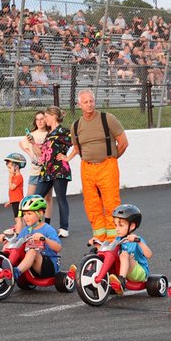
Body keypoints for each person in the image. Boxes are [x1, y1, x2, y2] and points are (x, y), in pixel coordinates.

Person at [68, 89, 128, 242]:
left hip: (107, 166)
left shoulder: (107, 119)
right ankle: (99, 238)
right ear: (79, 104)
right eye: (85, 102)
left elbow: (123, 143)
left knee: (111, 202)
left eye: (91, 101)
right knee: (91, 204)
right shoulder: (75, 126)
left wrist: (112, 158)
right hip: (87, 168)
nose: (89, 104)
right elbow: (77, 148)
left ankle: (114, 238)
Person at [0, 194, 61, 281]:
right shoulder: (25, 230)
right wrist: (7, 241)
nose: (25, 217)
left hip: (48, 266)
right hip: (31, 266)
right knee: (10, 247)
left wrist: (44, 239)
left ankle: (16, 272)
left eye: (29, 214)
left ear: (40, 213)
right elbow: (17, 245)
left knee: (32, 251)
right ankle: (2, 268)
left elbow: (58, 248)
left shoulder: (48, 229)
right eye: (24, 214)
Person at [31, 105, 73, 238]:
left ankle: (64, 228)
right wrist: (32, 143)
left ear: (53, 116)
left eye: (47, 117)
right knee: (36, 197)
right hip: (46, 171)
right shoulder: (49, 134)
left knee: (61, 198)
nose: (45, 119)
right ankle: (34, 225)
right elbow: (42, 153)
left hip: (59, 169)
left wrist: (68, 157)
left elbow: (77, 144)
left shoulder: (63, 131)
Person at [102, 204, 151, 295]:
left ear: (132, 226)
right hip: (123, 269)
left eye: (120, 225)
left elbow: (149, 255)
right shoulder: (118, 239)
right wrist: (97, 245)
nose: (117, 229)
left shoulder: (136, 239)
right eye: (115, 225)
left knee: (124, 254)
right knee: (107, 254)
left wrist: (139, 242)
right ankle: (87, 272)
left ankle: (121, 280)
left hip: (139, 273)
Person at [19, 110, 48, 200]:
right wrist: (29, 153)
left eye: (41, 119)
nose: (39, 121)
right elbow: (21, 143)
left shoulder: (49, 134)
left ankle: (46, 215)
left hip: (46, 171)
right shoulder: (32, 134)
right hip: (34, 171)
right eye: (37, 119)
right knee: (30, 197)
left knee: (47, 198)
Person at [3, 152, 25, 226]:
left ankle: (20, 232)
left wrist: (9, 178)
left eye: (10, 168)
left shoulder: (18, 177)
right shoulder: (15, 177)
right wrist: (10, 201)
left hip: (18, 202)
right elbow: (15, 192)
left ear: (16, 167)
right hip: (15, 201)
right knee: (18, 218)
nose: (9, 170)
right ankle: (22, 230)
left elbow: (12, 187)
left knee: (18, 218)